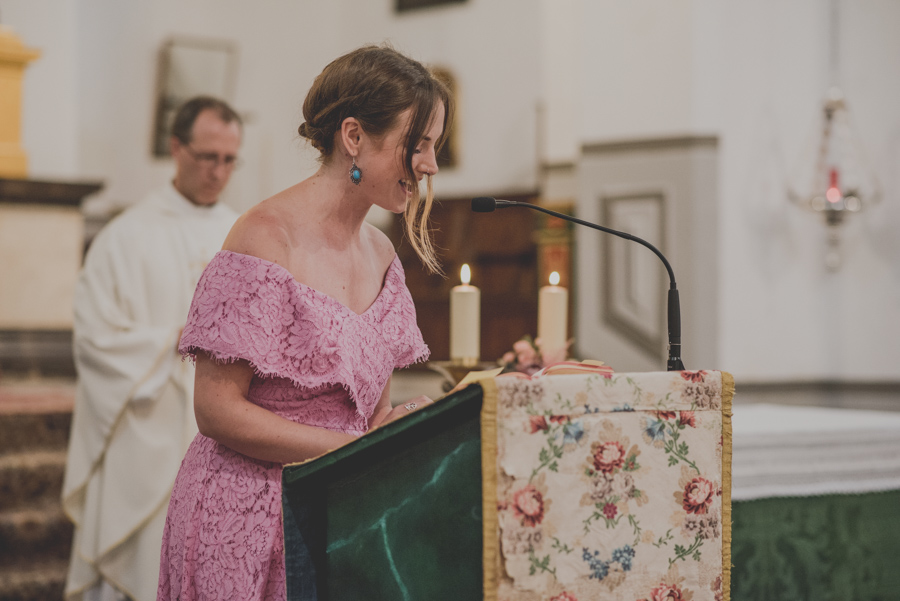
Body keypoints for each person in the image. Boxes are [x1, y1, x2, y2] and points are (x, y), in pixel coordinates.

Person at [156, 45, 451, 601]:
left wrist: (418, 422)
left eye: (434, 145)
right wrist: (354, 448)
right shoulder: (265, 237)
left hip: (338, 511)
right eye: (421, 143)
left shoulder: (383, 255)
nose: (431, 164)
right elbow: (215, 410)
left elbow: (371, 416)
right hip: (247, 514)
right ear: (355, 136)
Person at [62, 97, 243, 601]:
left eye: (230, 160)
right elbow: (95, 339)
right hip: (146, 437)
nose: (218, 172)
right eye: (208, 157)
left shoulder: (247, 235)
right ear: (176, 148)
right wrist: (176, 340)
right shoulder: (124, 237)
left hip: (225, 436)